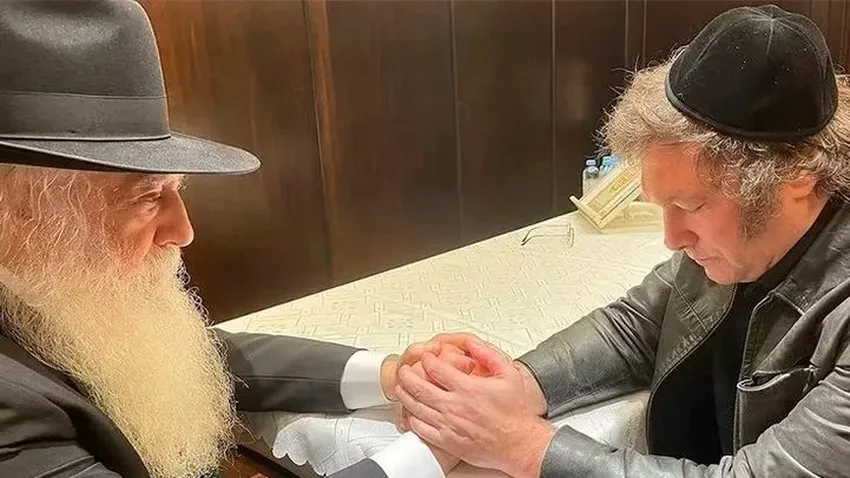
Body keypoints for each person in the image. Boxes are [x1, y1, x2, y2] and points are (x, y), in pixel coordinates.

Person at [0, 1, 465, 477]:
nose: (183, 231)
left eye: (175, 192)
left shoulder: (34, 282)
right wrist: (430, 454)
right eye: (147, 198)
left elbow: (197, 356)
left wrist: (392, 374)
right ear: (16, 213)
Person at [394, 5, 850, 477]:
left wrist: (525, 447)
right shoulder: (738, 242)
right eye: (664, 207)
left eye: (693, 205)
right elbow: (634, 328)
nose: (672, 239)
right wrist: (517, 385)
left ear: (798, 176)